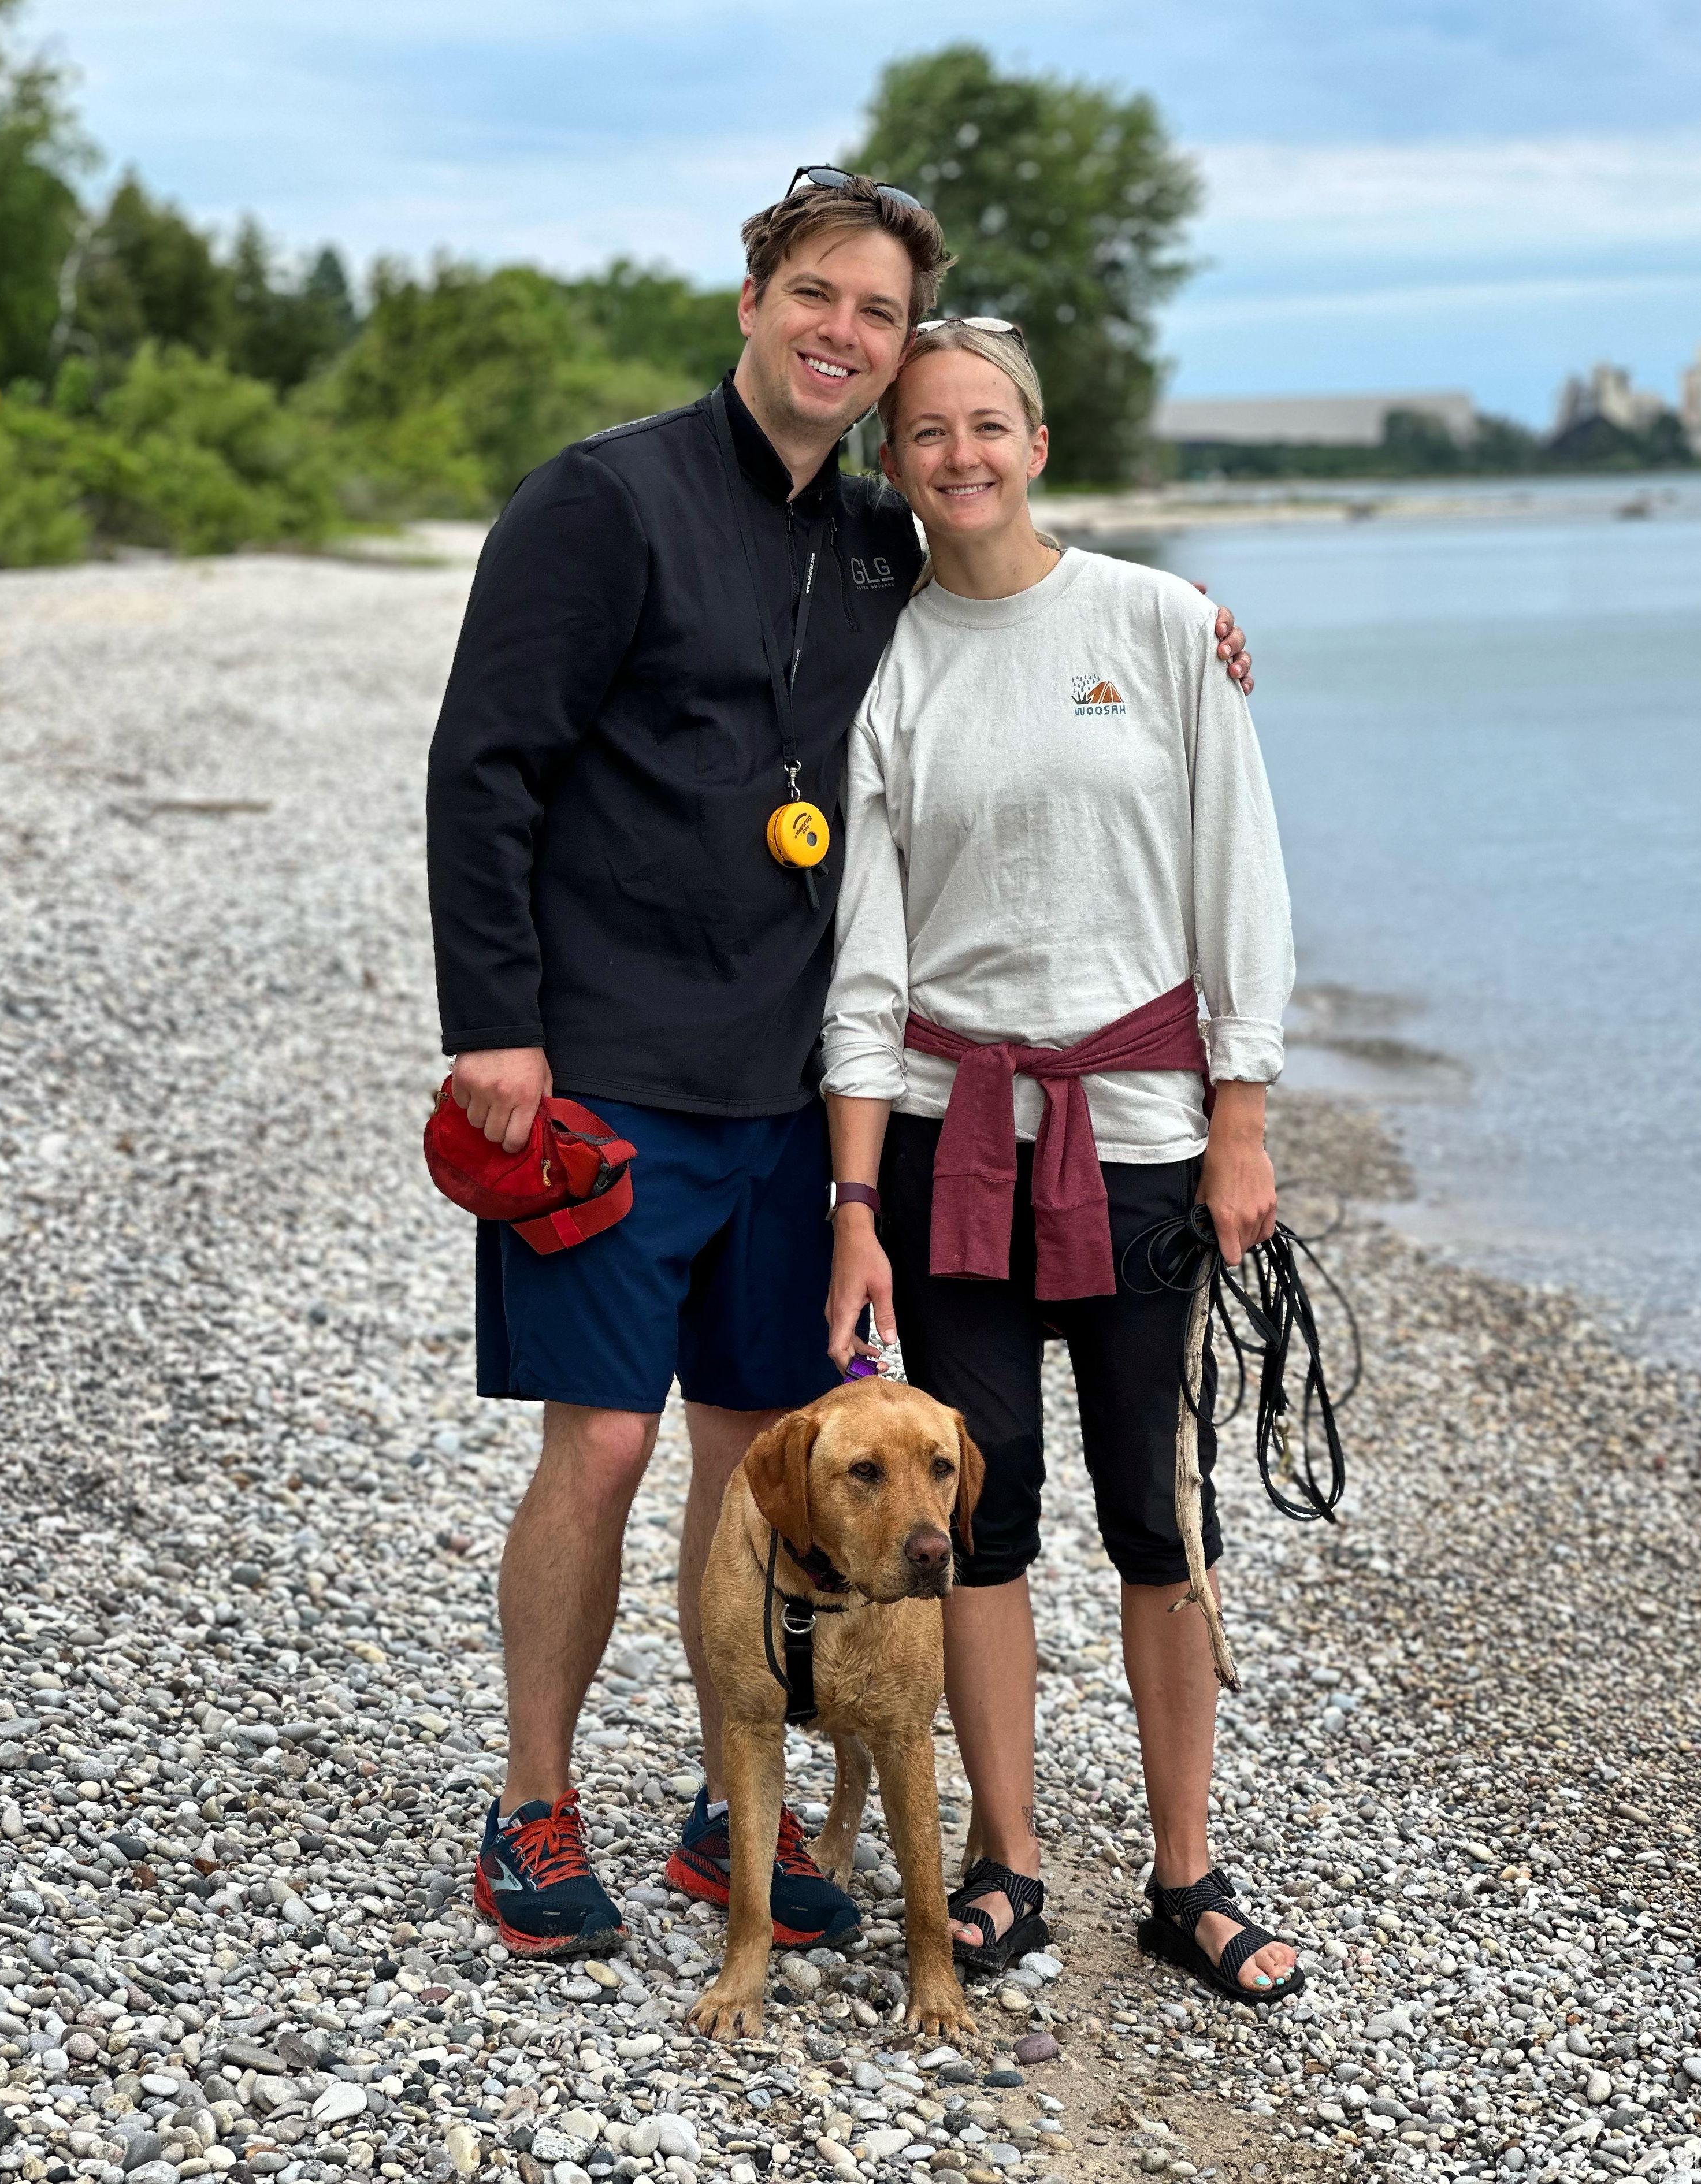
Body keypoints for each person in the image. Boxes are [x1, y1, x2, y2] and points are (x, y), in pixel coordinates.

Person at [425, 171, 1258, 1960]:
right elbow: (481, 764)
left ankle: (740, 1813)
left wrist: (1181, 631)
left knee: (768, 1464)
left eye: (876, 315)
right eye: (817, 295)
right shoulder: (600, 501)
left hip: (796, 1093)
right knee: (603, 1445)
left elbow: (1012, 601)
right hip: (604, 1078)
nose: (842, 333)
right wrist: (490, 1021)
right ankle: (532, 1799)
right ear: (752, 298)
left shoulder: (882, 539)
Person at [819, 320, 1306, 2000]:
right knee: (984, 1515)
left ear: (1037, 438)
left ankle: (1185, 1872)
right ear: (893, 465)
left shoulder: (1161, 625)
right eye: (925, 432)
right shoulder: (892, 664)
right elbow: (868, 962)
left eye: (987, 424)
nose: (958, 454)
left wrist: (1240, 1112)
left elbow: (1236, 871)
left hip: (1149, 1141)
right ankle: (1005, 1863)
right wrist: (856, 1200)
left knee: (1156, 1518)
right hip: (959, 1144)